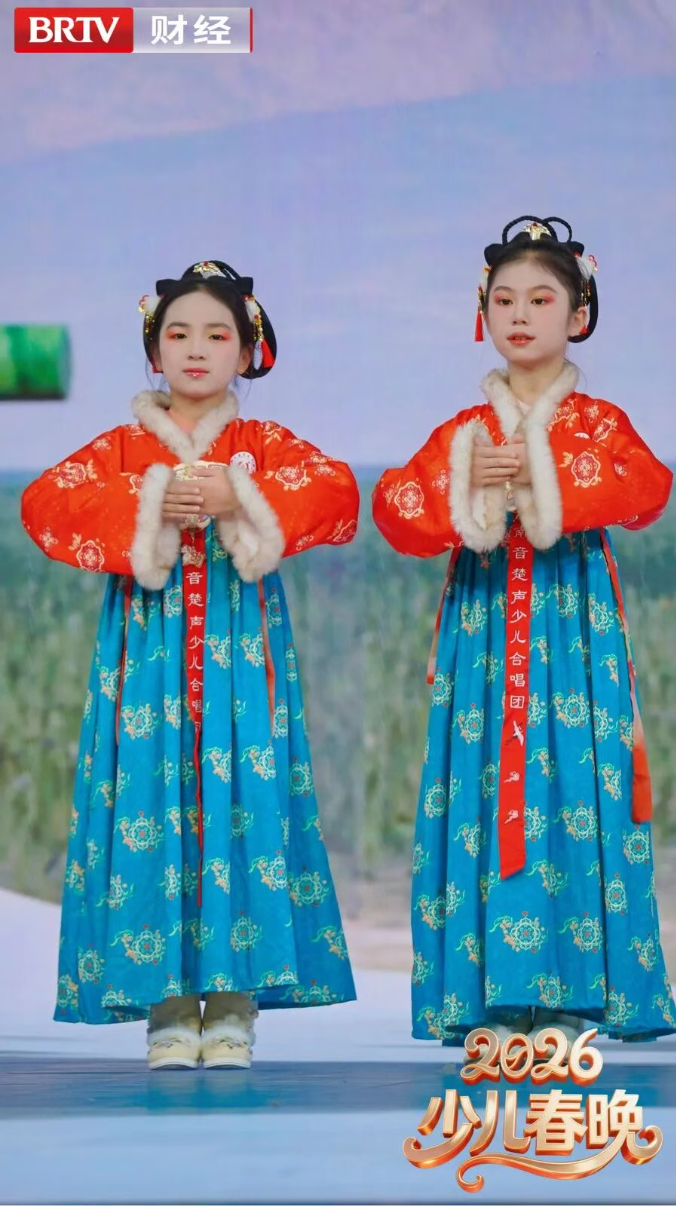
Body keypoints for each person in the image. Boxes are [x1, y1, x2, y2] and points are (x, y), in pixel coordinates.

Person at [22, 259, 358, 1069]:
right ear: (154, 350)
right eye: (178, 334)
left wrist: (241, 497)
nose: (197, 349)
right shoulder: (124, 447)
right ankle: (168, 1010)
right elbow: (45, 505)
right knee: (151, 796)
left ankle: (235, 1005)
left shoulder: (261, 446)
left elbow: (338, 495)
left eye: (217, 334)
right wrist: (148, 500)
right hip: (149, 657)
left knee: (243, 797)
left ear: (246, 351)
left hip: (241, 657)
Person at [372, 216, 676, 1046]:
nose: (519, 314)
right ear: (484, 312)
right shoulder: (465, 432)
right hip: (485, 631)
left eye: (541, 299)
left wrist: (546, 473)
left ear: (578, 314)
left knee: (576, 785)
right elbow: (396, 508)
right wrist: (466, 477)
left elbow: (648, 487)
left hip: (572, 628)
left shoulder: (600, 424)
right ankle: (494, 999)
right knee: (483, 786)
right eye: (503, 299)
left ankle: (571, 995)